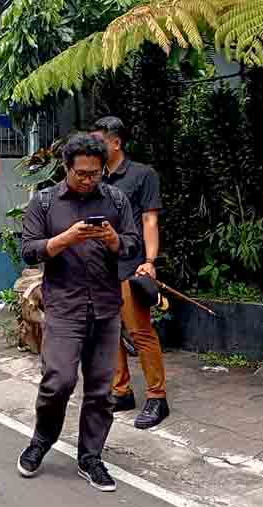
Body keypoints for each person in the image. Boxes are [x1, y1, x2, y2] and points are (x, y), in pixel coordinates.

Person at [17, 133, 140, 492]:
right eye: (82, 173)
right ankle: (42, 440)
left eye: (95, 173)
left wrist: (117, 241)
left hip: (105, 308)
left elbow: (132, 244)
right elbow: (28, 251)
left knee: (102, 390)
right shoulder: (43, 203)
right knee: (58, 381)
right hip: (65, 308)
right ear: (67, 168)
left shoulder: (115, 199)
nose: (88, 180)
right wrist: (64, 239)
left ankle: (90, 457)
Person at [92, 116, 170, 429]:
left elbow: (150, 220)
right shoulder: (96, 178)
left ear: (116, 142)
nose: (94, 147)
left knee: (140, 332)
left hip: (130, 265)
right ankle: (121, 391)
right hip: (102, 269)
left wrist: (149, 261)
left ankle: (157, 397)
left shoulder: (142, 175)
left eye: (99, 141)